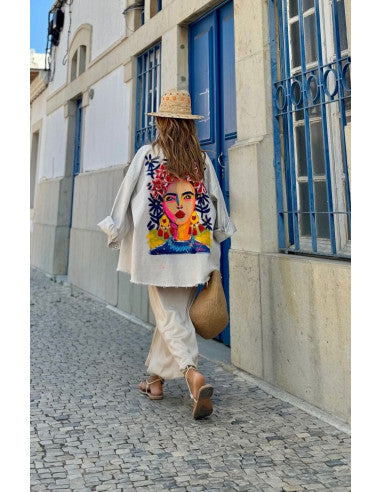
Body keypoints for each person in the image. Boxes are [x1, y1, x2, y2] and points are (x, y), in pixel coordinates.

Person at [97, 88, 236, 419]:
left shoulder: (146, 156)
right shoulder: (200, 161)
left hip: (156, 257)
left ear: (160, 122)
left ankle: (191, 374)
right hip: (195, 253)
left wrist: (115, 229)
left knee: (170, 316)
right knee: (172, 316)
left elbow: (125, 194)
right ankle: (156, 383)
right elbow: (216, 205)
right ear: (189, 125)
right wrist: (218, 237)